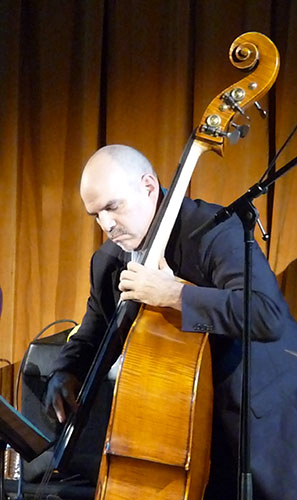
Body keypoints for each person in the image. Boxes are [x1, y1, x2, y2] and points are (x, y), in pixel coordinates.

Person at [46, 144, 297, 500]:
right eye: (95, 215)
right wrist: (64, 372)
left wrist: (174, 295)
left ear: (149, 187)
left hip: (260, 426)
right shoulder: (107, 261)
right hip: (184, 438)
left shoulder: (213, 230)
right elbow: (90, 334)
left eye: (112, 207)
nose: (106, 226)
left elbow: (265, 314)